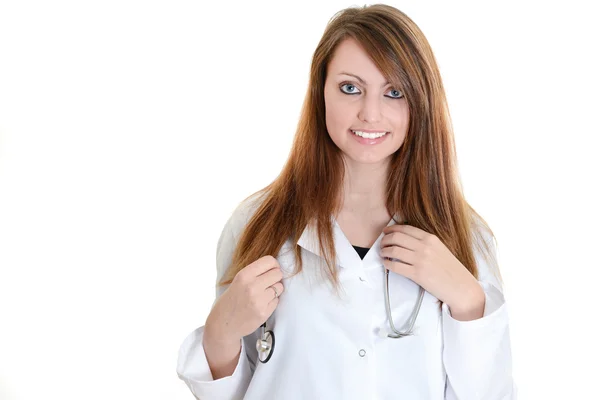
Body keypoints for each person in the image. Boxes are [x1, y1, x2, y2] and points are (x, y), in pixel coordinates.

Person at [176, 4, 516, 399]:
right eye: (350, 88)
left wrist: (468, 300)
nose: (370, 113)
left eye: (394, 92)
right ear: (320, 92)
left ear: (420, 102)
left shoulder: (464, 236)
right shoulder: (257, 223)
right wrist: (220, 331)